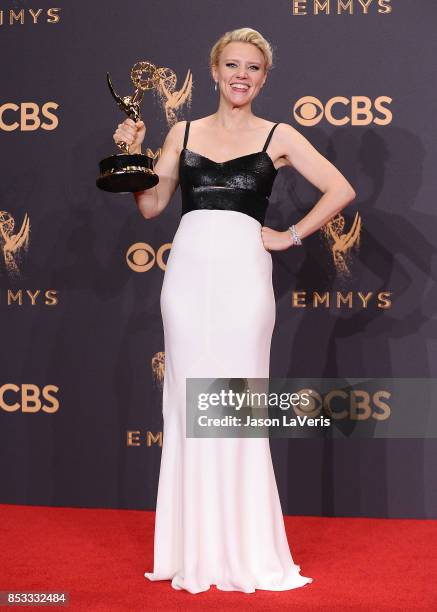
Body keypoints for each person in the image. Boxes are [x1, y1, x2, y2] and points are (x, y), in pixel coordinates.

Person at [113, 27, 356, 594]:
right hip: (188, 277)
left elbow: (340, 188)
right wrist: (131, 154)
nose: (241, 75)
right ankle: (192, 549)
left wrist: (290, 234)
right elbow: (151, 206)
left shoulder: (279, 135)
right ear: (215, 71)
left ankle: (244, 549)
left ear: (264, 77)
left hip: (243, 279)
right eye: (232, 65)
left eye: (253, 67)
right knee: (186, 407)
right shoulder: (182, 130)